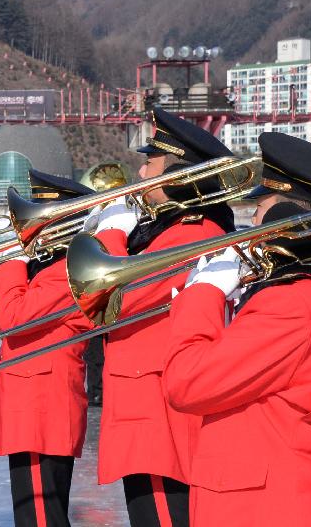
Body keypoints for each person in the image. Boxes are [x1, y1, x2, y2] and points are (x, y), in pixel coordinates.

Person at [162, 132, 311, 527]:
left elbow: (186, 383)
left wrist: (203, 293)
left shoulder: (290, 304)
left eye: (261, 205)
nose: (253, 219)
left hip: (263, 508)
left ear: (287, 214)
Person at [88, 107, 237, 527]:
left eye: (149, 163)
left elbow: (111, 300)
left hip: (158, 415)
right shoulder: (172, 230)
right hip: (147, 406)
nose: (139, 172)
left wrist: (111, 233)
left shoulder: (191, 233)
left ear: (174, 177)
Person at [0, 170, 95, 527]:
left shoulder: (67, 269)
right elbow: (20, 327)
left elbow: (18, 320)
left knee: (41, 515)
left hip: (42, 403)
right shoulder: (46, 265)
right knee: (36, 512)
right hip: (33, 400)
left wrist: (7, 263)